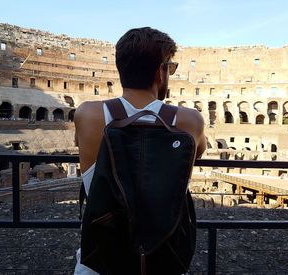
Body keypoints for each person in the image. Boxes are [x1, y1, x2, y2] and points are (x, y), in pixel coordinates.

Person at [74, 27, 206, 274]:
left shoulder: (87, 114)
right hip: (163, 259)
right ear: (160, 71)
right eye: (171, 68)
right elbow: (199, 151)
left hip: (101, 259)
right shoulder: (191, 121)